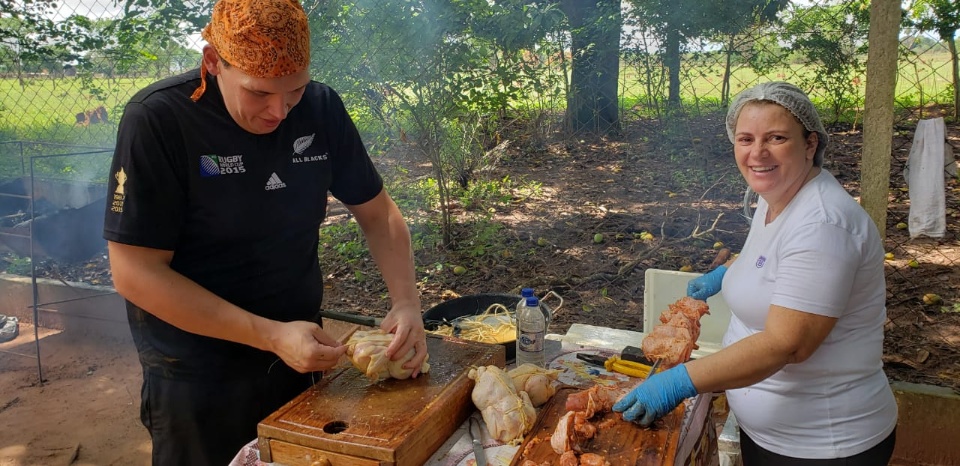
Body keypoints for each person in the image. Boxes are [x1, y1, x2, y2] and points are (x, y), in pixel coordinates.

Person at [102, 0, 427, 464]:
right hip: (197, 373)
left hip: (299, 354)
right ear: (213, 62)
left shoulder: (320, 108)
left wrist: (406, 302)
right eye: (258, 93)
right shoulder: (159, 120)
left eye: (293, 91)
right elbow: (134, 272)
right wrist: (269, 335)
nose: (279, 111)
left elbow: (379, 215)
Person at [614, 82, 897, 465]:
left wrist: (682, 381)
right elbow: (776, 257)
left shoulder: (824, 225)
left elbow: (788, 344)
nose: (757, 152)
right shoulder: (778, 197)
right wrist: (726, 273)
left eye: (776, 138)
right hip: (772, 435)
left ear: (810, 143)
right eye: (745, 139)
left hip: (822, 444)